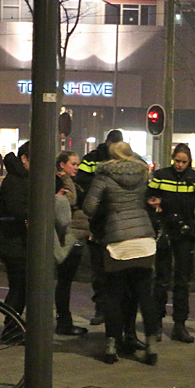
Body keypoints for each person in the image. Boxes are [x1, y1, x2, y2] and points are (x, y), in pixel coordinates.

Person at [81, 141, 161, 364]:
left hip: (118, 241)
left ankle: (111, 345)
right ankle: (152, 344)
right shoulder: (143, 173)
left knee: (114, 294)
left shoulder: (104, 175)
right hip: (144, 238)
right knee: (145, 294)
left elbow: (89, 207)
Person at [148, 143, 195, 343]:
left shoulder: (194, 178)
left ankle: (179, 325)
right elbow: (147, 200)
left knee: (182, 280)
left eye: (184, 162)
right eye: (177, 161)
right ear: (172, 159)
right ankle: (156, 324)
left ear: (189, 162)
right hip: (165, 231)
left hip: (185, 233)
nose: (180, 165)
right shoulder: (160, 175)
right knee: (161, 279)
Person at [75, 129, 124, 327]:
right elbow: (81, 179)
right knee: (99, 269)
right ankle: (100, 308)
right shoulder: (92, 159)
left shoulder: (123, 159)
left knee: (115, 268)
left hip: (116, 221)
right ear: (108, 143)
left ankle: (113, 307)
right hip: (98, 221)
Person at [0, 141, 30, 316]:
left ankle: (15, 326)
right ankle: (11, 328)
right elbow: (17, 209)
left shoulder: (25, 178)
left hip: (17, 241)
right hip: (12, 240)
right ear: (24, 158)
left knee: (22, 286)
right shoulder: (15, 180)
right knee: (18, 287)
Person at [54, 152, 89, 337]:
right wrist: (66, 180)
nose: (76, 167)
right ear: (62, 165)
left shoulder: (73, 182)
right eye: (73, 164)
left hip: (78, 237)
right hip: (69, 238)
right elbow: (69, 201)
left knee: (65, 282)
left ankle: (64, 321)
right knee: (64, 282)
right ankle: (64, 322)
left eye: (78, 164)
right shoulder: (61, 182)